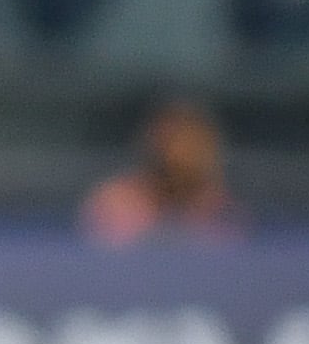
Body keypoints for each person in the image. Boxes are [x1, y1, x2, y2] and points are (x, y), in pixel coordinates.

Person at [81, 96, 243, 246]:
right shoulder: (113, 203)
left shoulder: (224, 212)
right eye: (172, 141)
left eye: (194, 144)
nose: (181, 154)